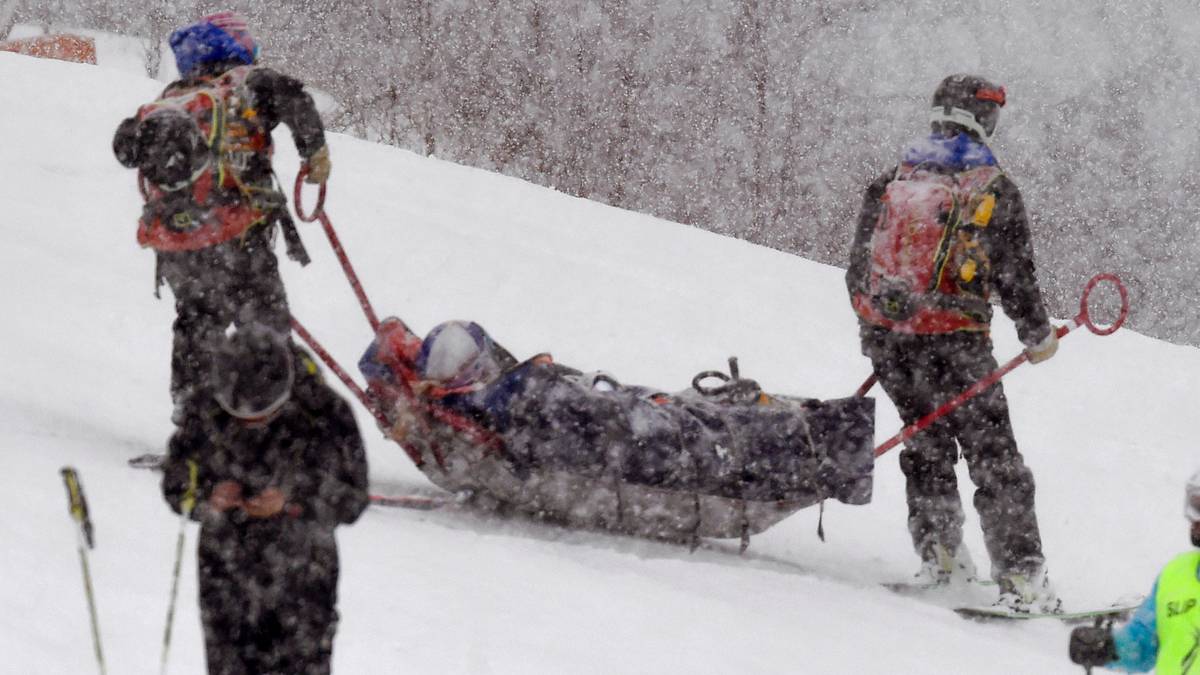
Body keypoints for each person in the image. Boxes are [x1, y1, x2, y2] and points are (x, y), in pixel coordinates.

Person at [845, 74, 1060, 611]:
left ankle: (940, 556)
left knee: (925, 445)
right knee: (994, 457)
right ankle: (1023, 579)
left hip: (891, 344)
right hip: (958, 344)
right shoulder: (991, 188)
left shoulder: (893, 179)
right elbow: (1014, 273)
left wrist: (886, 325)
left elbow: (856, 270)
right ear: (982, 118)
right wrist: (1037, 335)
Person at [112, 12, 332, 416]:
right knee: (264, 323)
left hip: (179, 243)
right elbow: (295, 97)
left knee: (197, 321)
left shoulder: (171, 98)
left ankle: (193, 415)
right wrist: (314, 154)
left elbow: (125, 149)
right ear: (239, 47)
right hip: (238, 235)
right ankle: (273, 412)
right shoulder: (248, 83)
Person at [160, 323, 368, 674]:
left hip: (303, 568)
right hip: (224, 567)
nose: (253, 422)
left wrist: (293, 500)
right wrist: (207, 499)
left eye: (264, 413)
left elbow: (352, 498)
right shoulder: (204, 411)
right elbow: (176, 482)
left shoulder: (325, 413)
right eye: (240, 416)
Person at [1069, 472, 1200, 673]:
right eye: (1196, 506)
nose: (1196, 521)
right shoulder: (1175, 575)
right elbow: (1144, 643)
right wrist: (1111, 647)